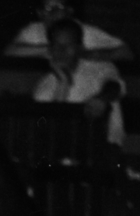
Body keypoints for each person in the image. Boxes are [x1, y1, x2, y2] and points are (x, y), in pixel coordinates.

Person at [34, 18, 125, 146]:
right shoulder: (44, 84)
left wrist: (101, 99)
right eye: (56, 45)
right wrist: (63, 83)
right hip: (64, 148)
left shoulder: (101, 68)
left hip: (105, 147)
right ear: (49, 49)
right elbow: (51, 129)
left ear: (80, 48)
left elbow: (114, 86)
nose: (61, 50)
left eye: (68, 45)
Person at [5, 0, 128, 61]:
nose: (53, 12)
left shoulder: (84, 31)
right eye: (48, 8)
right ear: (40, 13)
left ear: (69, 11)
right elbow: (9, 52)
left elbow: (126, 52)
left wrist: (89, 55)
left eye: (59, 7)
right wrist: (51, 50)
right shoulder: (33, 30)